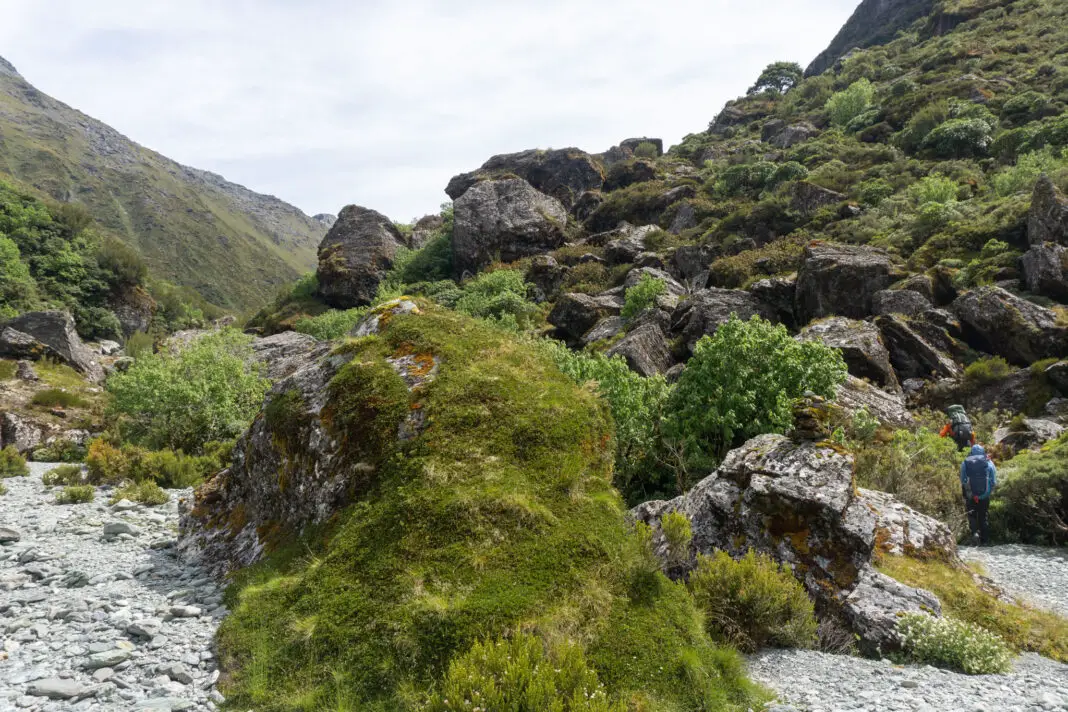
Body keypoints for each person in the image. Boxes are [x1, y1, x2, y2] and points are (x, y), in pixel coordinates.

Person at [960, 444, 996, 546]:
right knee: (983, 516)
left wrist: (969, 492)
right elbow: (993, 481)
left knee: (972, 515)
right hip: (985, 495)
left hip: (971, 495)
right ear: (983, 452)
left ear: (971, 452)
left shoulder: (965, 462)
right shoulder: (989, 463)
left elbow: (963, 480)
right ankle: (985, 541)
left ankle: (975, 534)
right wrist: (987, 492)